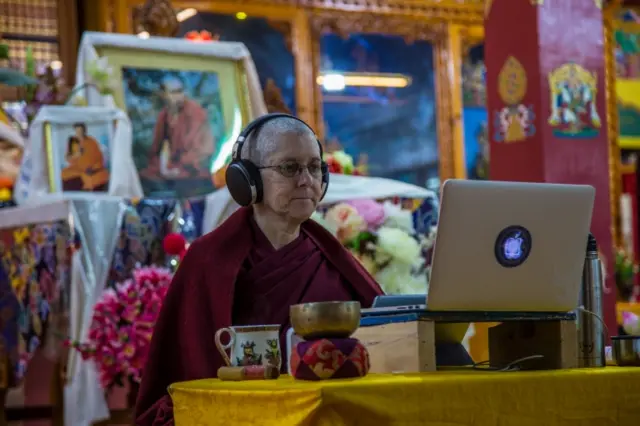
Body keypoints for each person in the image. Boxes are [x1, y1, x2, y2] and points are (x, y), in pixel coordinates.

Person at [136, 115, 383, 425]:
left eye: (314, 167)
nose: (307, 180)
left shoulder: (332, 260)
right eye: (289, 168)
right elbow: (185, 373)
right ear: (246, 181)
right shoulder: (209, 261)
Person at [141, 77, 215, 182]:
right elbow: (158, 147)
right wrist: (164, 167)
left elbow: (200, 150)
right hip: (172, 166)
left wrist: (176, 167)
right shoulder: (164, 115)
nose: (179, 96)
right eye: (173, 92)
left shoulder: (194, 111)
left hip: (192, 167)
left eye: (180, 91)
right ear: (164, 95)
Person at [61, 124, 110, 191]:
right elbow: (68, 158)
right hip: (77, 170)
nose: (79, 133)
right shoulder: (73, 141)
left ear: (84, 130)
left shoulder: (92, 141)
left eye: (81, 131)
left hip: (93, 170)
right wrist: (76, 154)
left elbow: (99, 158)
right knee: (64, 174)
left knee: (103, 176)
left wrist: (93, 169)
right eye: (77, 131)